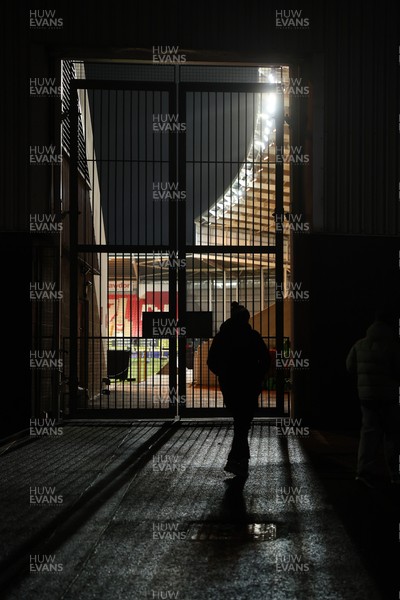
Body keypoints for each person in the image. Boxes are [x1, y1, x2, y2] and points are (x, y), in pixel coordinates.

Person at [207, 302, 270, 477]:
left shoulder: (222, 337)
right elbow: (266, 360)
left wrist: (224, 374)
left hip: (230, 385)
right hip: (249, 385)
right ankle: (238, 460)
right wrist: (257, 376)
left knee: (240, 422)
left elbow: (211, 361)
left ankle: (239, 461)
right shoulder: (253, 336)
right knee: (243, 423)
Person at [346, 305, 400, 488]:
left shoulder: (359, 344)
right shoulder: (393, 346)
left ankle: (363, 471)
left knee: (368, 434)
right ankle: (395, 473)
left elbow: (350, 367)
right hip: (389, 397)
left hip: (366, 396)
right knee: (392, 435)